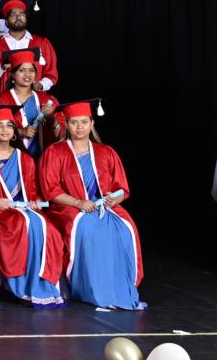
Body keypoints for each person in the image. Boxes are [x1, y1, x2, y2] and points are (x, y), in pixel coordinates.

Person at [39, 99, 144, 310]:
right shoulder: (55, 152)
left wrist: (114, 199)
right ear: (66, 124)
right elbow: (50, 190)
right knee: (88, 227)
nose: (80, 127)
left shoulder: (106, 152)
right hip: (68, 207)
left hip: (104, 206)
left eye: (84, 122)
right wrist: (78, 202)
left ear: (92, 124)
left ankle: (119, 287)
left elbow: (122, 188)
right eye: (74, 122)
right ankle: (90, 289)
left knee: (125, 228)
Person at [0, 105, 65, 307]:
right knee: (18, 225)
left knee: (46, 227)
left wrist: (34, 201)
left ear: (15, 132)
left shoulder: (25, 158)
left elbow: (32, 189)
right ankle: (16, 285)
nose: (5, 130)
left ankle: (41, 283)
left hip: (23, 208)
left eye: (9, 126)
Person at [0, 0, 59, 92]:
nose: (18, 18)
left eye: (22, 15)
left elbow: (51, 73)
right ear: (6, 21)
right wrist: (1, 67)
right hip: (5, 96)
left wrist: (40, 85)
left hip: (34, 97)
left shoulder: (42, 43)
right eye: (13, 15)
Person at [0, 48, 59, 156]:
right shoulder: (1, 100)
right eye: (22, 70)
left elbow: (61, 135)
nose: (27, 74)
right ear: (13, 74)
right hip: (12, 157)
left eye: (31, 70)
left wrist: (52, 118)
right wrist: (21, 132)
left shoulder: (48, 100)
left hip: (44, 157)